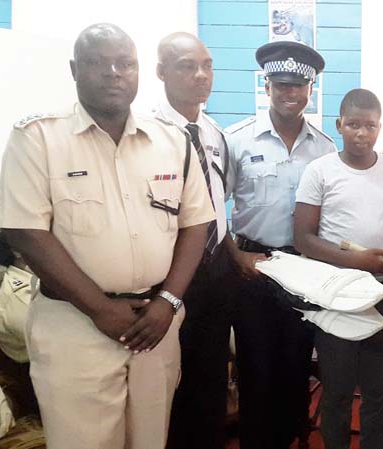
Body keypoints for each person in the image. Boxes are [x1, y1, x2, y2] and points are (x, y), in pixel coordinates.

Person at [0, 23, 214, 449]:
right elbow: (25, 232)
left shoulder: (171, 140)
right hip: (76, 328)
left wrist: (168, 301)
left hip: (157, 324)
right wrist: (100, 310)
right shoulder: (38, 137)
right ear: (75, 69)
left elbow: (196, 224)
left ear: (138, 72)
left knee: (150, 440)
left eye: (125, 64)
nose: (113, 72)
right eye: (98, 63)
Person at [223, 41, 336, 449]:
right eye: (281, 85)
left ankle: (290, 440)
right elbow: (211, 209)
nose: (290, 94)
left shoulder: (324, 148)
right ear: (267, 86)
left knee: (295, 369)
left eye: (299, 86)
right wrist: (236, 256)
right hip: (253, 267)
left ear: (311, 89)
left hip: (304, 271)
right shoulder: (236, 139)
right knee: (256, 370)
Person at [293, 88, 383, 449]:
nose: (361, 133)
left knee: (379, 393)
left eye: (370, 125)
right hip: (337, 295)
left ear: (379, 128)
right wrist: (356, 261)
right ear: (339, 124)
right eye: (354, 124)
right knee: (338, 392)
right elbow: (303, 239)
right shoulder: (320, 171)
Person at [154, 32, 233, 449]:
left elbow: (220, 200)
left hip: (216, 271)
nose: (201, 75)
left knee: (210, 379)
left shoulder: (214, 132)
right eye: (187, 66)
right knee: (169, 382)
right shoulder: (146, 132)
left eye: (207, 65)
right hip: (167, 271)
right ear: (161, 71)